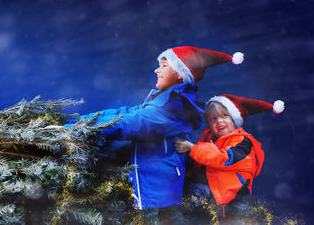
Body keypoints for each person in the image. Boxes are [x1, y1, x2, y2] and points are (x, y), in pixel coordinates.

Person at [76, 47, 244, 210]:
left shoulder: (174, 106)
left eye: (164, 66)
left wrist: (80, 128)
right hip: (152, 186)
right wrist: (80, 121)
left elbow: (132, 123)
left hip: (158, 192)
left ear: (180, 74)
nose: (157, 70)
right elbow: (124, 112)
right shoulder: (164, 100)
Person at [175, 94, 284, 217]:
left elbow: (223, 158)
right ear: (209, 125)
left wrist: (192, 149)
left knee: (195, 195)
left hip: (230, 195)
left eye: (224, 116)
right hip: (210, 189)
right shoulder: (209, 140)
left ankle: (188, 215)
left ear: (234, 119)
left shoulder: (243, 142)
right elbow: (200, 163)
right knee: (183, 186)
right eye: (213, 119)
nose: (219, 121)